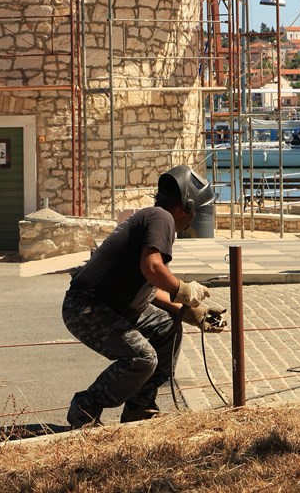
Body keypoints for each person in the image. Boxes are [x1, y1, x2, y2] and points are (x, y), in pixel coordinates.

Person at [62, 164, 227, 428]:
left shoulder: (153, 217)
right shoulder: (162, 219)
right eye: (196, 211)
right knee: (141, 358)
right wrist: (183, 290)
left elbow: (151, 287)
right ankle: (85, 407)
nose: (194, 218)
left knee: (166, 328)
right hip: (88, 308)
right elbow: (152, 267)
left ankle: (140, 408)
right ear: (186, 205)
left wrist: (190, 312)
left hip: (107, 306)